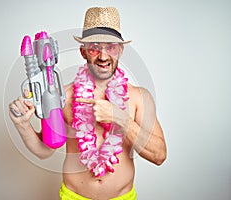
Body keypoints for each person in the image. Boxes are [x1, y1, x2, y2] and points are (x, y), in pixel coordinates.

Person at [9, 6, 167, 200]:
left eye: (110, 47)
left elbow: (159, 155)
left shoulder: (139, 98)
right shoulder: (63, 96)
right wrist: (22, 124)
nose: (102, 56)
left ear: (120, 50)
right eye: (94, 47)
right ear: (83, 52)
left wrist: (122, 120)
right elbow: (45, 151)